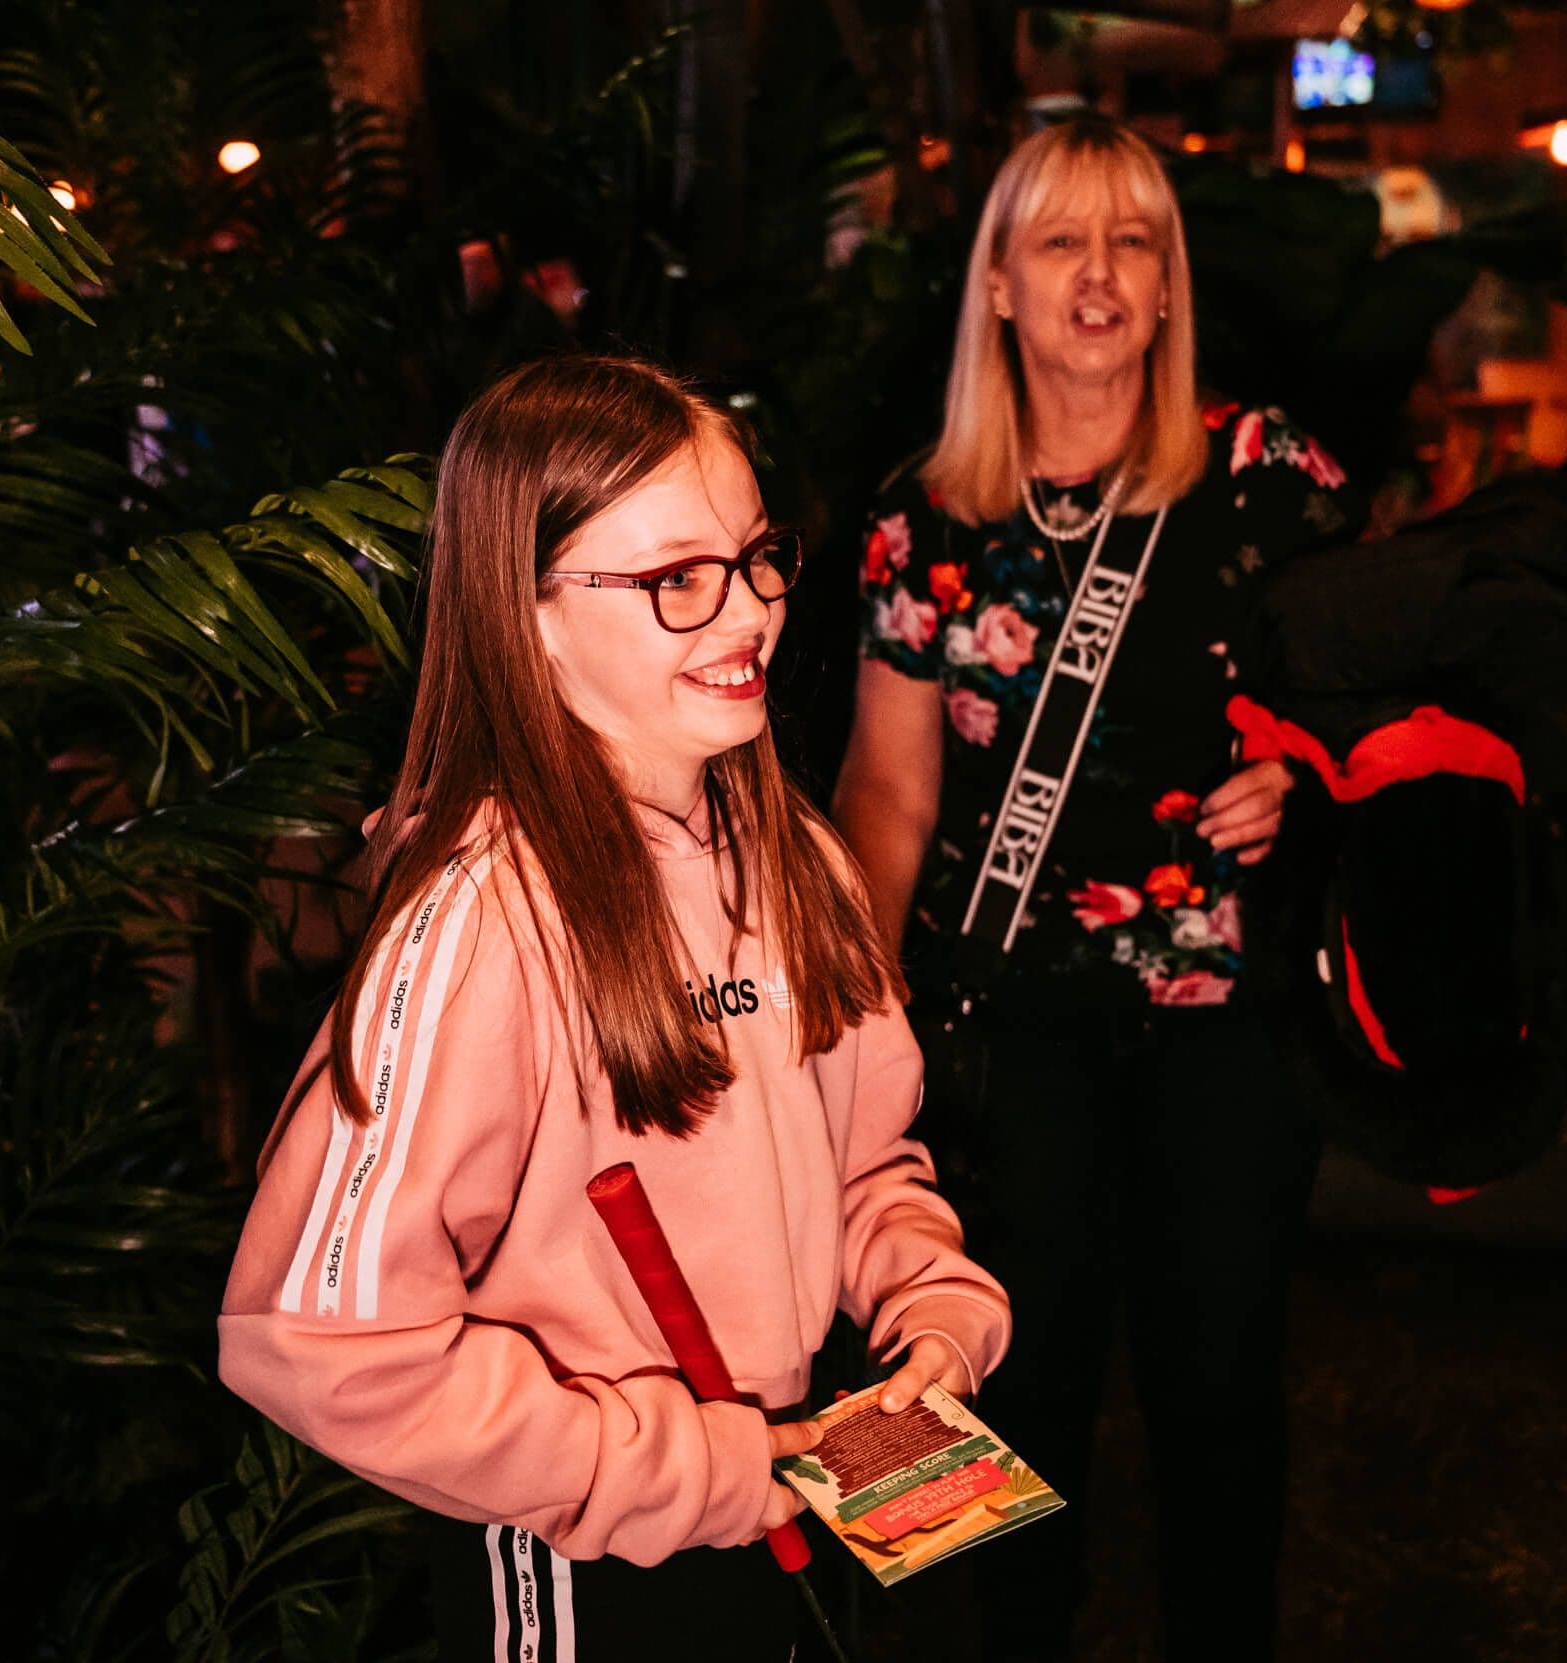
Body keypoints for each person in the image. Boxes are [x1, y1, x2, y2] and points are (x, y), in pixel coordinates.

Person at [219, 354, 1012, 1663]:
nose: (747, 617)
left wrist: (930, 1309)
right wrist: (667, 1467)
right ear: (529, 613)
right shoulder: (485, 923)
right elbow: (310, 1340)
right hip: (595, 1562)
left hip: (814, 1479)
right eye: (674, 580)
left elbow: (869, 1156)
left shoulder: (793, 856)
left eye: (757, 559)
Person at [832, 118, 1360, 1660]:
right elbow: (885, 798)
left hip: (1224, 1018)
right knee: (992, 1390)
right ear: (997, 282)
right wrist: (847, 1033)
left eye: (1134, 240)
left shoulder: (1269, 472)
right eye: (1061, 240)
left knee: (1218, 1384)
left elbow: (1385, 707)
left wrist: (1314, 774)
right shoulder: (921, 518)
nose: (1101, 274)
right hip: (1005, 1029)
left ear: (1169, 278)